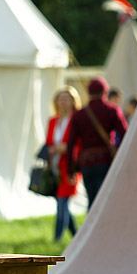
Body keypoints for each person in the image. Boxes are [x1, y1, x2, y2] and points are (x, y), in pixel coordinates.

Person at [65, 77, 128, 210]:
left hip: (86, 163)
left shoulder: (79, 115)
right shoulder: (112, 111)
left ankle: (91, 229)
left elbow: (71, 143)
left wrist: (70, 169)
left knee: (92, 201)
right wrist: (119, 154)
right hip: (106, 161)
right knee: (105, 201)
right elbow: (125, 135)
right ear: (105, 92)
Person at [46, 86, 82, 241]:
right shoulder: (53, 121)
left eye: (66, 99)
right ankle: (77, 236)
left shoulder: (77, 119)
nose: (63, 103)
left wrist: (65, 148)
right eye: (61, 99)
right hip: (55, 167)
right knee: (63, 204)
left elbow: (79, 143)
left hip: (70, 167)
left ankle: (57, 240)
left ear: (73, 101)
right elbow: (48, 142)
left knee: (62, 203)